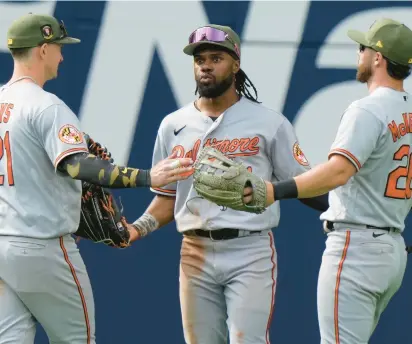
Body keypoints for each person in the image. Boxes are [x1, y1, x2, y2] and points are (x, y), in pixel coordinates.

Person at [127, 24, 328, 343]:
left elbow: (305, 183)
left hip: (249, 248)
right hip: (194, 250)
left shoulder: (269, 122)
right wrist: (138, 228)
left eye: (216, 58)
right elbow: (168, 197)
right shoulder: (173, 125)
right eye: (199, 59)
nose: (205, 65)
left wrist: (343, 211)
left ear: (236, 64)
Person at [0, 13, 192, 344]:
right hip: (44, 246)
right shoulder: (46, 106)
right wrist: (149, 176)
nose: (62, 55)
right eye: (59, 47)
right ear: (42, 49)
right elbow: (77, 166)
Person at [238, 18, 412, 344]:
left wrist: (274, 190)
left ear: (378, 57)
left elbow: (338, 172)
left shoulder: (368, 109)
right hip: (391, 252)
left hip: (356, 248)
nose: (358, 52)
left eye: (363, 47)